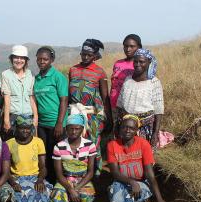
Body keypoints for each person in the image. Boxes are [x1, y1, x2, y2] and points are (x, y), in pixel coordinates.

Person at [107, 116, 171, 202]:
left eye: (132, 128)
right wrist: (132, 182)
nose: (127, 130)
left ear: (136, 130)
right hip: (122, 181)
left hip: (141, 182)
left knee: (137, 192)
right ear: (119, 128)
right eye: (124, 127)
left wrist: (159, 200)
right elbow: (115, 173)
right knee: (113, 190)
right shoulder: (112, 145)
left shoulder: (143, 144)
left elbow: (150, 174)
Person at [68, 39, 112, 174]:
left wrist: (109, 118)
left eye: (89, 55)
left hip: (93, 114)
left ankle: (94, 173)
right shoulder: (73, 70)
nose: (85, 57)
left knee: (93, 143)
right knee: (75, 143)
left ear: (95, 56)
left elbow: (105, 97)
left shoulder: (100, 72)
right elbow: (69, 95)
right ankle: (76, 171)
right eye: (83, 54)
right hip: (75, 112)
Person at [6, 115, 55, 202]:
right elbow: (6, 170)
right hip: (17, 178)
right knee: (23, 193)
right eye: (22, 128)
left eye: (28, 128)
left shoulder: (38, 142)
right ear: (16, 128)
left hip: (35, 177)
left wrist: (40, 180)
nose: (25, 131)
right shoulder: (9, 144)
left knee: (43, 191)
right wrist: (13, 183)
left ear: (32, 128)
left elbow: (43, 167)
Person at [34, 46, 68, 183]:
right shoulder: (36, 79)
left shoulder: (58, 77)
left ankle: (60, 183)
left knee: (57, 154)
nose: (42, 62)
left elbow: (64, 100)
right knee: (45, 154)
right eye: (39, 59)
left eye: (45, 59)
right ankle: (47, 182)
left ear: (51, 60)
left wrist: (60, 123)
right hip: (42, 124)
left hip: (56, 123)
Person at [116, 48, 163, 148]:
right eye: (135, 61)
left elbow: (158, 110)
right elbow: (120, 104)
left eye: (141, 62)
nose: (137, 64)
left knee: (143, 157)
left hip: (145, 128)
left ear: (149, 62)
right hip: (126, 127)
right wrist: (117, 125)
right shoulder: (128, 79)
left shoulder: (154, 82)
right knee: (125, 155)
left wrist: (155, 133)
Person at [50, 114, 96, 202]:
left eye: (77, 128)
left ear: (82, 129)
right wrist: (70, 189)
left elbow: (90, 172)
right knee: (57, 194)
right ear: (66, 129)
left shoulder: (90, 145)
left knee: (86, 194)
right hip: (65, 180)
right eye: (71, 129)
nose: (74, 132)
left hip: (83, 180)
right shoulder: (59, 146)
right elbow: (59, 174)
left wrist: (76, 188)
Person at [0, 45, 38, 140]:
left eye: (22, 58)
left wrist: (36, 117)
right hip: (13, 115)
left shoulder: (30, 74)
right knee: (12, 143)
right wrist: (6, 119)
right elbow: (7, 97)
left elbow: (31, 96)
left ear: (25, 60)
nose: (19, 60)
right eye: (16, 57)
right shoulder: (6, 75)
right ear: (12, 59)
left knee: (28, 144)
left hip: (28, 115)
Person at [110, 34, 142, 113]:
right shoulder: (117, 63)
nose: (128, 49)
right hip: (113, 106)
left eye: (132, 46)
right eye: (126, 46)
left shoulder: (140, 65)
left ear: (139, 47)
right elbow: (113, 85)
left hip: (131, 108)